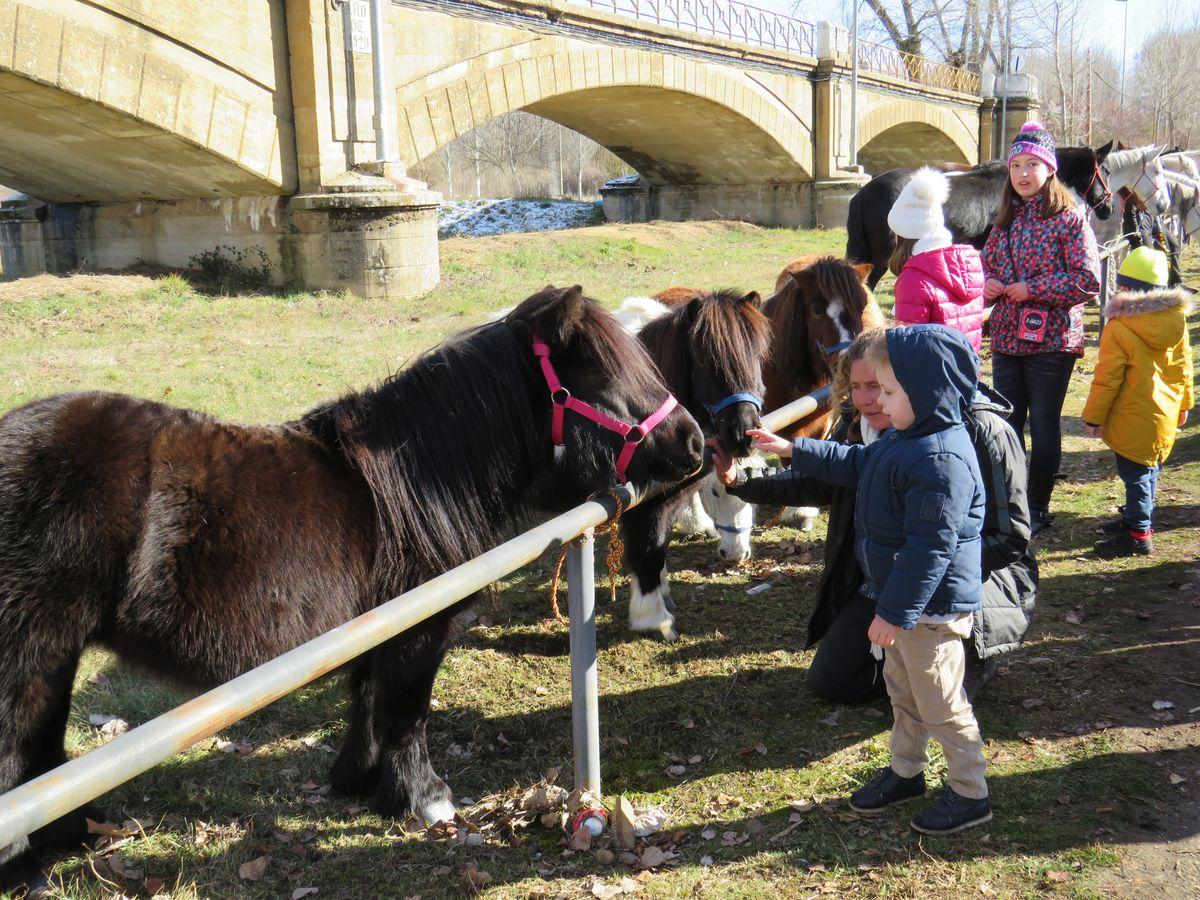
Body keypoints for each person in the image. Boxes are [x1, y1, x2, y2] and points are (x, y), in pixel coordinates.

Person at [739, 326, 991, 833]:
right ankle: (906, 771)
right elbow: (856, 462)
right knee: (903, 692)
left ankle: (970, 793)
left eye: (890, 391)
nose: (877, 401)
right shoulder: (905, 438)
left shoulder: (940, 460)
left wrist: (895, 613)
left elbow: (930, 549)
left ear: (929, 391)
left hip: (930, 610)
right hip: (897, 603)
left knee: (940, 702)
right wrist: (792, 450)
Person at [712, 331, 1036, 705]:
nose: (868, 399)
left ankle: (977, 653)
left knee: (933, 702)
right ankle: (902, 666)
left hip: (965, 582)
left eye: (879, 386)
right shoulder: (864, 424)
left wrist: (926, 577)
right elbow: (828, 478)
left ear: (912, 380)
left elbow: (1010, 537)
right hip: (891, 576)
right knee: (834, 682)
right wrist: (742, 480)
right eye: (857, 387)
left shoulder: (981, 432)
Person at [981, 121, 1101, 536]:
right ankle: (1008, 501)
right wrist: (989, 286)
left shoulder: (1070, 219)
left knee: (1045, 423)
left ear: (1049, 169)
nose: (1023, 173)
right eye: (1016, 165)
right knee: (1007, 424)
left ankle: (1038, 505)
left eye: (1032, 163)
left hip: (1052, 340)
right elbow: (986, 271)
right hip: (1008, 337)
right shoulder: (1003, 221)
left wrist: (1032, 288)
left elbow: (1088, 280)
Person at [1082, 247, 1194, 558]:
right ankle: (1134, 516)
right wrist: (1185, 404)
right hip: (1164, 413)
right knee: (1149, 468)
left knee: (1137, 474)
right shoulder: (1177, 320)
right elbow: (1184, 365)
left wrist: (1093, 418)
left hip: (1133, 414)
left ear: (1128, 289)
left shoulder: (1120, 327)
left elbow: (1107, 379)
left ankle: (1138, 533)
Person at [887, 167, 986, 351]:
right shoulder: (970, 266)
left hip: (929, 377)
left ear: (902, 234)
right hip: (967, 373)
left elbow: (908, 347)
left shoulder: (914, 279)